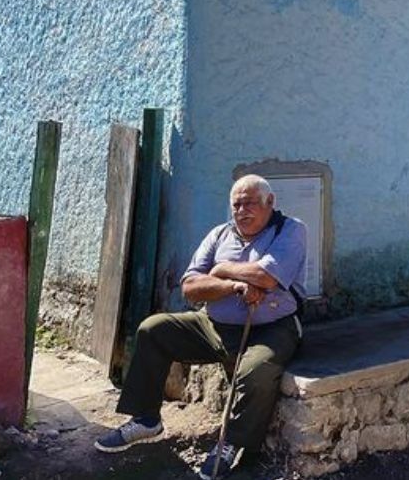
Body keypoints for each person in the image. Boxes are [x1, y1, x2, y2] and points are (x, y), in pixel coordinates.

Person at [94, 174, 307, 479]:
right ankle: (146, 419)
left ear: (270, 203)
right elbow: (191, 287)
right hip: (214, 325)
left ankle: (231, 443)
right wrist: (233, 286)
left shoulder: (291, 230)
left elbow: (267, 277)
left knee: (255, 371)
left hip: (273, 328)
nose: (242, 211)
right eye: (237, 205)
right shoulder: (220, 234)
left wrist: (220, 269)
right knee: (154, 329)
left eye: (250, 203)